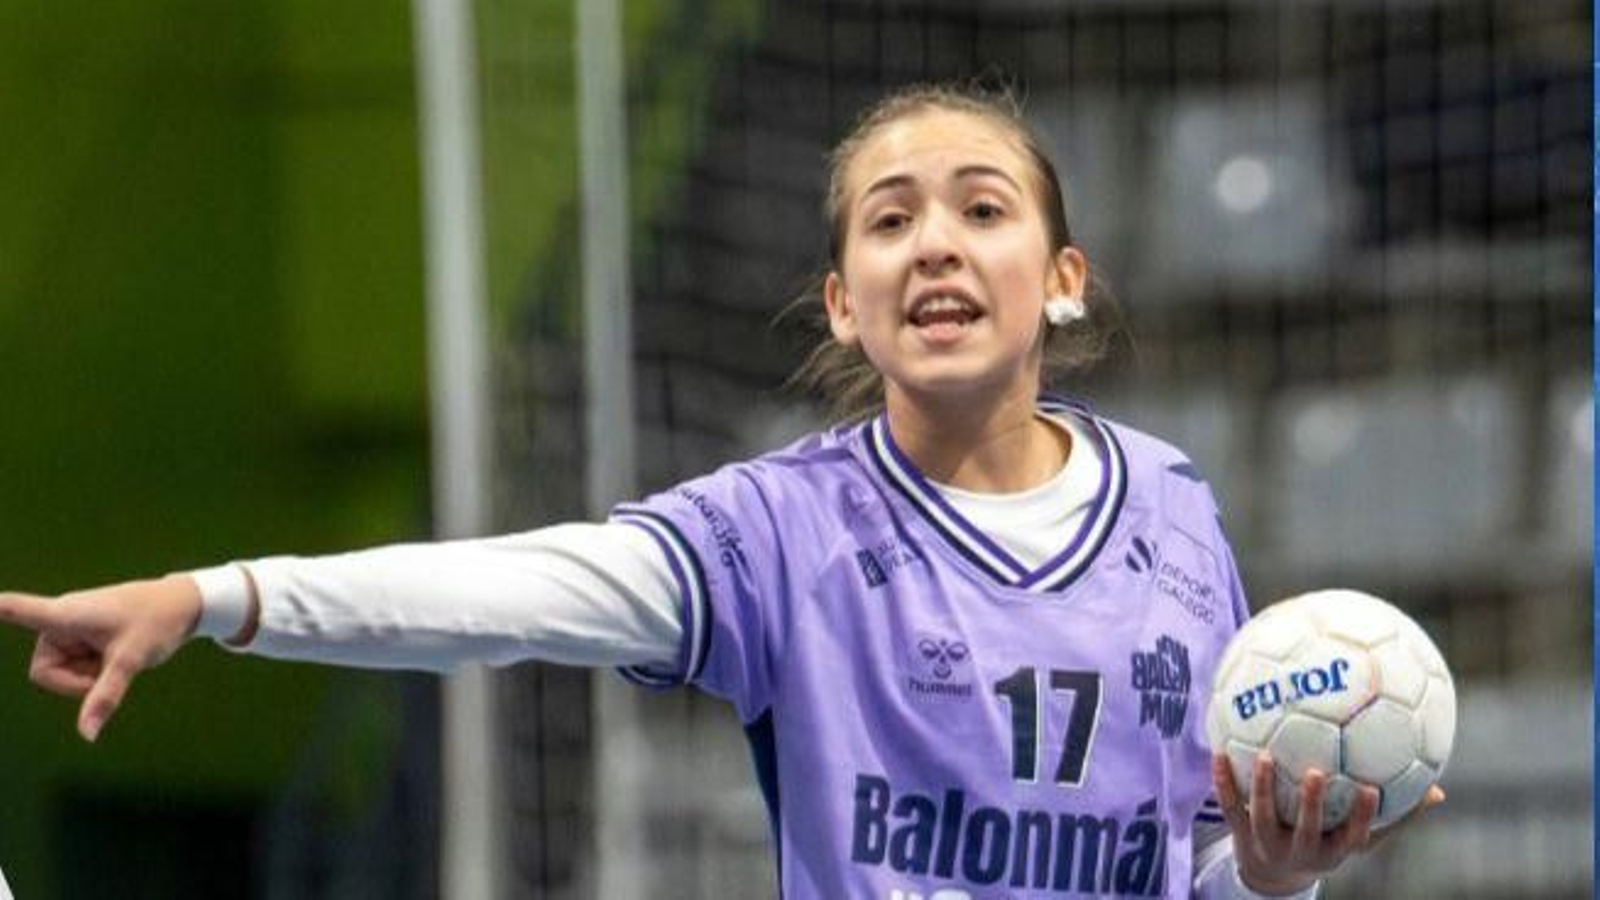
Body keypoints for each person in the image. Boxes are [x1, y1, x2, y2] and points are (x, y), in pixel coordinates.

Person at [0, 84, 1436, 899]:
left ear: (1061, 283)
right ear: (843, 308)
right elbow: (503, 591)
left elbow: (1182, 868)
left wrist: (1272, 876)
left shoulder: (1176, 511)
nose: (934, 243)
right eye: (891, 221)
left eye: (982, 209)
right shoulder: (777, 535)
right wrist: (216, 597)